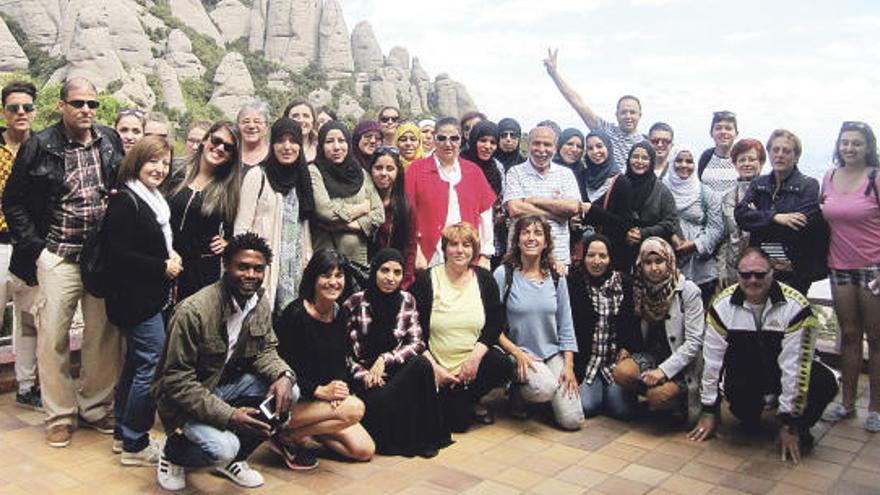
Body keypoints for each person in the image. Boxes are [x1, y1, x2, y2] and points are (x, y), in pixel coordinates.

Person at [4, 77, 125, 447]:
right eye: (78, 103)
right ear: (62, 106)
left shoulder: (109, 140)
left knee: (101, 337)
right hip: (58, 255)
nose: (86, 110)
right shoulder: (40, 146)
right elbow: (13, 202)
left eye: (92, 103)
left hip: (100, 258)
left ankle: (95, 407)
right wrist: (38, 249)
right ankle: (59, 414)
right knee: (51, 337)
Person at [152, 233, 297, 490]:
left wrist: (284, 375)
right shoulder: (193, 311)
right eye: (242, 267)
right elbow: (175, 382)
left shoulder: (258, 301)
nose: (250, 274)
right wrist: (229, 416)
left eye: (257, 269)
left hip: (224, 386)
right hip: (184, 401)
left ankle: (236, 460)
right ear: (226, 266)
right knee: (224, 448)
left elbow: (265, 350)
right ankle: (174, 453)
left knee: (290, 391)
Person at [690, 247, 838, 462]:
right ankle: (753, 411)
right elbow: (712, 362)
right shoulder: (721, 306)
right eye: (745, 275)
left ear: (772, 272)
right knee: (745, 417)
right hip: (748, 371)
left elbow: (794, 367)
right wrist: (709, 411)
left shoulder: (796, 307)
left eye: (759, 274)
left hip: (782, 370)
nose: (752, 281)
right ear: (737, 274)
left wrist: (790, 422)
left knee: (823, 382)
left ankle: (799, 426)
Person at [102, 136, 180, 465]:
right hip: (136, 301)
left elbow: (150, 241)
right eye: (153, 161)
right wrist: (162, 265)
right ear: (138, 161)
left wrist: (168, 252)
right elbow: (117, 254)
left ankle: (123, 432)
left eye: (165, 162)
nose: (159, 169)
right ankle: (135, 442)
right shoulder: (126, 200)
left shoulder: (152, 198)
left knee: (136, 364)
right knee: (150, 366)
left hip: (149, 297)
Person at [345, 248, 452, 456]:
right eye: (384, 271)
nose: (390, 278)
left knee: (421, 364)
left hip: (397, 376)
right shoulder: (355, 303)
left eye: (397, 272)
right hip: (368, 384)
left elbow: (417, 343)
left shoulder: (407, 300)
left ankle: (420, 435)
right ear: (374, 271)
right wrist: (366, 375)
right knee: (383, 399)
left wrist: (386, 358)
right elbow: (345, 354)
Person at [274, 249, 374, 469]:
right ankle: (284, 431)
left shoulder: (340, 313)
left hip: (323, 403)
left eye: (339, 276)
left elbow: (340, 362)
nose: (333, 282)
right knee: (355, 409)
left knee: (364, 450)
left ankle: (293, 437)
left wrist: (339, 389)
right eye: (326, 275)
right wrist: (318, 390)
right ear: (313, 279)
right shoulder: (295, 314)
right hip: (295, 400)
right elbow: (282, 368)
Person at [411, 223, 510, 432]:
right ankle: (450, 397)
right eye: (453, 244)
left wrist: (474, 359)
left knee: (502, 364)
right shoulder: (425, 280)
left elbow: (495, 322)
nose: (460, 250)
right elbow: (414, 330)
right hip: (435, 364)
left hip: (470, 368)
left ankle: (469, 397)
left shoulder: (485, 280)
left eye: (466, 245)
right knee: (455, 424)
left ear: (474, 250)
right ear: (445, 249)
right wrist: (434, 367)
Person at [495, 216, 584, 431]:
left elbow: (566, 324)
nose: (531, 238)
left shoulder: (556, 277)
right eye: (525, 233)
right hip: (518, 354)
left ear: (546, 242)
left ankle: (544, 397)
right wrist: (517, 353)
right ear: (517, 240)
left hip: (552, 354)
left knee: (573, 421)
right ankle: (516, 389)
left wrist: (569, 366)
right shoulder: (503, 275)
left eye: (537, 233)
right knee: (544, 387)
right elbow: (492, 326)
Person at [819, 121, 880, 432]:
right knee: (850, 335)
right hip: (839, 266)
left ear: (868, 146)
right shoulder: (828, 178)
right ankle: (846, 403)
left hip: (874, 268)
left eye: (857, 143)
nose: (850, 148)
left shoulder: (875, 178)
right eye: (845, 143)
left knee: (876, 338)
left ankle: (876, 407)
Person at [612, 237, 704, 426]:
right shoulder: (640, 288)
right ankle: (651, 397)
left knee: (658, 396)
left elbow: (694, 342)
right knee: (622, 372)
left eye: (659, 261)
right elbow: (632, 326)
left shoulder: (687, 291)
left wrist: (663, 371)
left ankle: (678, 402)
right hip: (653, 356)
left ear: (669, 260)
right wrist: (627, 349)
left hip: (680, 364)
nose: (654, 268)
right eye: (647, 262)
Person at [234, 117, 314, 313]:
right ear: (272, 144)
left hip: (295, 272)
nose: (287, 147)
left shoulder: (302, 179)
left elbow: (303, 226)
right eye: (281, 140)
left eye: (293, 141)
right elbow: (241, 227)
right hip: (264, 270)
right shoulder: (258, 176)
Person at [735, 129, 826, 295]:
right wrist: (776, 217)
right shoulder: (758, 183)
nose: (780, 155)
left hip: (793, 269)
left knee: (790, 317)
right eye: (775, 150)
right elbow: (740, 215)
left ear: (796, 156)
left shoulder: (809, 185)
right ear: (769, 153)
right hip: (760, 269)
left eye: (786, 151)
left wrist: (758, 218)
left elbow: (800, 225)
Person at [405, 117, 496, 272]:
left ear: (461, 140)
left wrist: (485, 255)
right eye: (441, 138)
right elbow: (405, 213)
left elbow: (485, 215)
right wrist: (416, 251)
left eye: (454, 138)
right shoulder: (416, 169)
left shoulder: (473, 171)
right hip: (428, 255)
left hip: (466, 254)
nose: (448, 144)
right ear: (434, 139)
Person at [1, 80, 41, 411]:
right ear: (4, 111)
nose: (20, 113)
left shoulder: (43, 148)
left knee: (28, 322)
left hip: (28, 247)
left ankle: (26, 386)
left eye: (26, 107)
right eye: (14, 107)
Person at [567, 234, 638, 419]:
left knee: (621, 410)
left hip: (613, 362)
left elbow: (633, 322)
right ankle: (598, 391)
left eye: (602, 256)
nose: (596, 261)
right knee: (587, 406)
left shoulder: (623, 283)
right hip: (588, 362)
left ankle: (610, 392)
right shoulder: (574, 283)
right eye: (591, 255)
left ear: (610, 258)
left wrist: (627, 347)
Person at [169, 121, 241, 302]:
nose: (220, 148)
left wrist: (229, 243)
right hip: (166, 259)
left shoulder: (227, 189)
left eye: (228, 147)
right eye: (216, 140)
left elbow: (236, 225)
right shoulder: (176, 171)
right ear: (205, 140)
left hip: (200, 272)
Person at [544, 49, 645, 170]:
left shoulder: (645, 144)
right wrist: (554, 74)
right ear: (616, 115)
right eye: (623, 112)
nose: (628, 116)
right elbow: (578, 103)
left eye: (632, 112)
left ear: (640, 115)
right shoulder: (606, 131)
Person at [505, 126, 581, 274]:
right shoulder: (515, 172)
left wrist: (536, 200)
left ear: (555, 147)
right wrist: (556, 215)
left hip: (558, 258)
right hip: (520, 258)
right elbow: (515, 208)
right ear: (528, 145)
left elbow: (573, 207)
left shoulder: (565, 174)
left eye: (547, 144)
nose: (541, 149)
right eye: (536, 143)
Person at [309, 121, 384, 267]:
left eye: (341, 141)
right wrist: (361, 209)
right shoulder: (314, 171)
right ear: (321, 146)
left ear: (348, 144)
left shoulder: (360, 173)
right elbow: (326, 212)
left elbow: (379, 214)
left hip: (356, 260)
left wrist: (343, 226)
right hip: (324, 259)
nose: (336, 147)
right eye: (329, 141)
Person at [665, 146, 725, 306]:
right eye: (678, 160)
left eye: (689, 161)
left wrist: (694, 244)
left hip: (700, 267)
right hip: (666, 265)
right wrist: (672, 237)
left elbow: (716, 228)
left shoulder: (707, 193)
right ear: (671, 162)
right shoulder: (660, 189)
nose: (684, 165)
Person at [577, 131, 634, 272]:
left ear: (608, 147)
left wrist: (593, 210)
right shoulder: (581, 177)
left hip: (612, 256)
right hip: (584, 254)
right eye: (590, 148)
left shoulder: (621, 182)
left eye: (599, 146)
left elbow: (625, 224)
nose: (595, 151)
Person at [718, 139, 766, 288]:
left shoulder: (769, 194)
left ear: (762, 162)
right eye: (742, 160)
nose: (747, 164)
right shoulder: (729, 197)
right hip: (734, 268)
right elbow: (724, 237)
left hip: (762, 268)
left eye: (752, 159)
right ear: (735, 164)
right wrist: (721, 270)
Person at [461, 120, 507, 267]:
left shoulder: (497, 167)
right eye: (482, 140)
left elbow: (502, 197)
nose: (487, 146)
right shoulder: (459, 163)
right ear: (474, 140)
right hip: (462, 234)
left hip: (491, 237)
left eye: (493, 142)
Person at [624, 142, 679, 263]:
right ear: (629, 159)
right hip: (622, 251)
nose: (639, 161)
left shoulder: (661, 190)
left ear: (652, 162)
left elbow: (670, 223)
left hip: (654, 256)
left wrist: (643, 233)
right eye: (635, 157)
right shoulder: (619, 185)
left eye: (645, 158)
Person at [369, 146, 413, 280]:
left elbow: (410, 247)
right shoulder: (362, 202)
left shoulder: (405, 206)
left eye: (390, 169)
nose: (383, 173)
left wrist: (405, 282)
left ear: (398, 172)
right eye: (378, 168)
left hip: (392, 277)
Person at [698, 111, 740, 193]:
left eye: (728, 128)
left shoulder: (742, 158)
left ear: (736, 133)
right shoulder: (706, 157)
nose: (723, 132)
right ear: (711, 133)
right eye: (718, 128)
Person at [237, 99, 270, 170]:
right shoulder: (229, 154)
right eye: (246, 121)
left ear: (266, 127)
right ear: (238, 126)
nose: (251, 126)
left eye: (257, 122)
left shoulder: (275, 155)